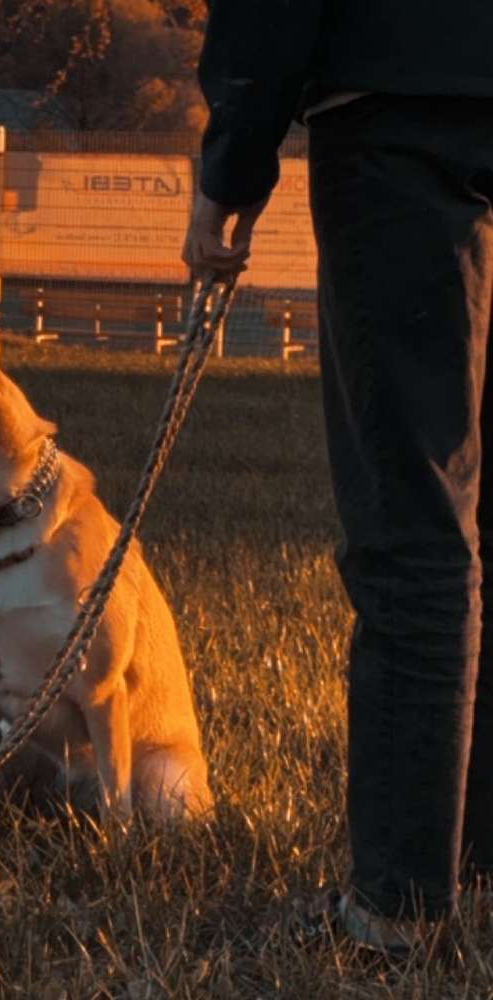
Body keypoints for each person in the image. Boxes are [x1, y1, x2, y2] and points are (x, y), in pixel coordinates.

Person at [182, 2, 493, 954]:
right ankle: (475, 874)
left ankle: (396, 909)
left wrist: (235, 154)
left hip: (403, 116)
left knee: (416, 520)